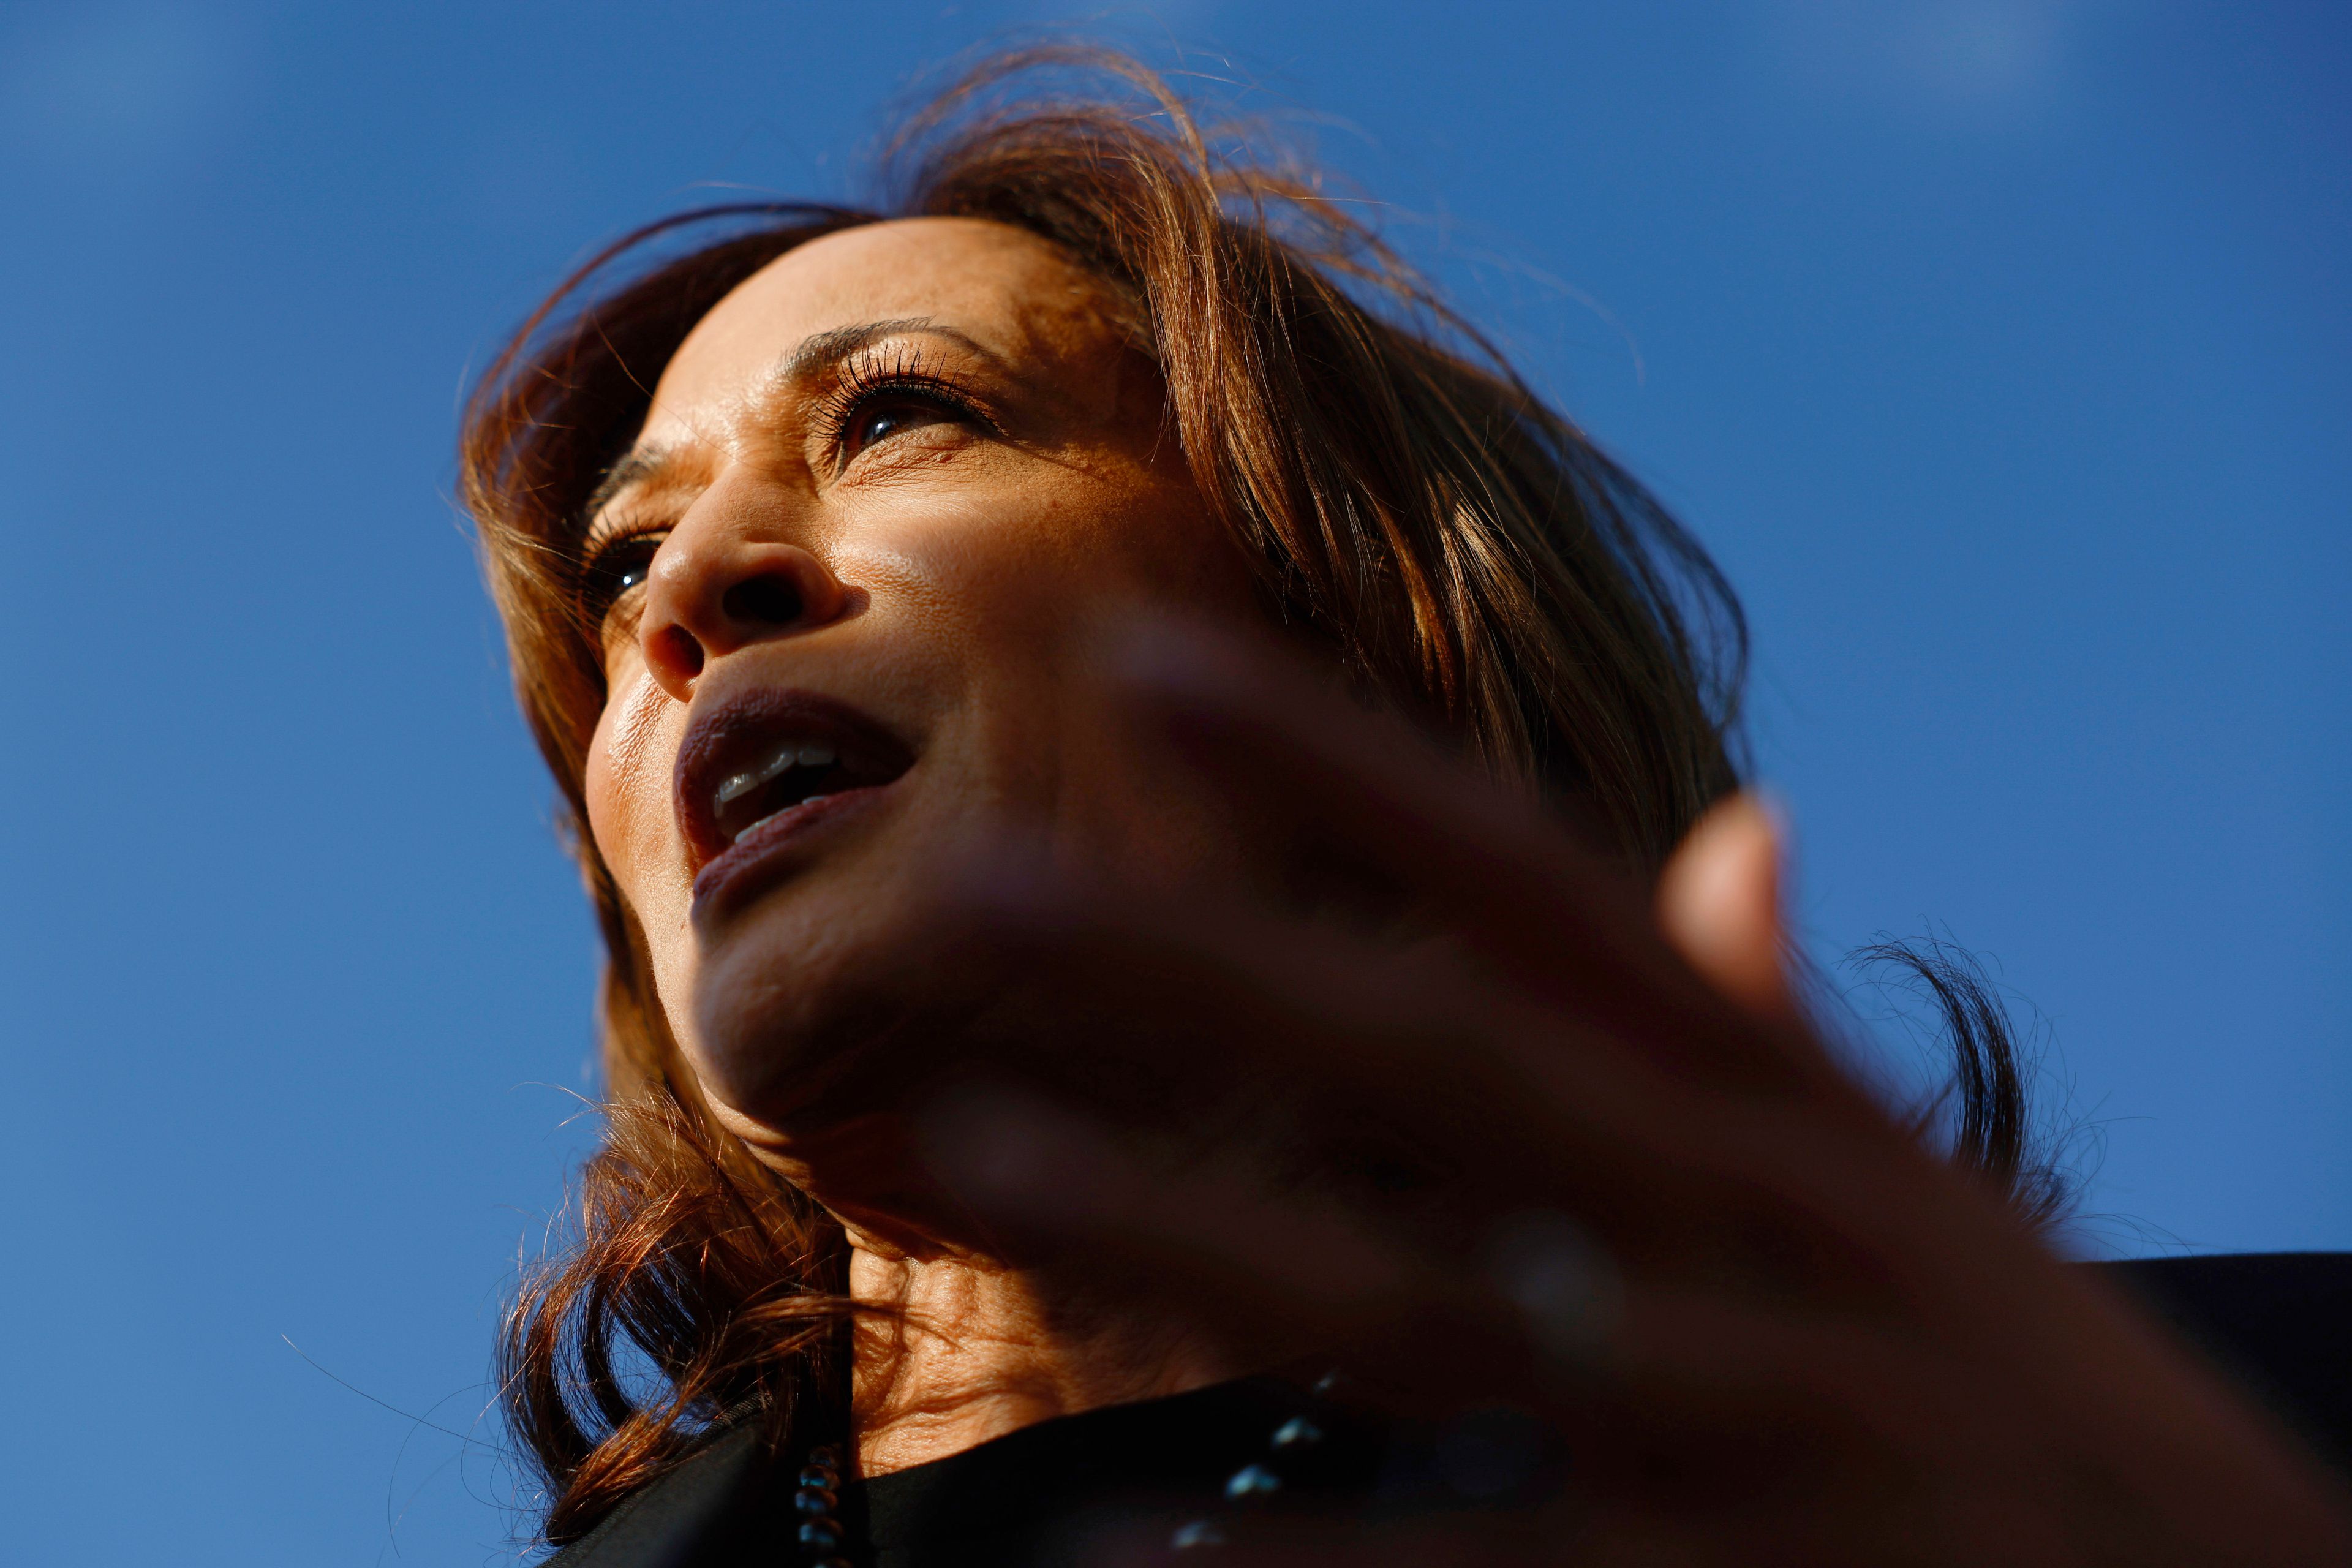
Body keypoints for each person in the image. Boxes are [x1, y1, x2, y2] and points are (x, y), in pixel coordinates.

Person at [458, 47, 2352, 1567]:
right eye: (623, 564)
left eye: (892, 418)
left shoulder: (2176, 1455)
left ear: (1356, 641)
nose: (694, 586)